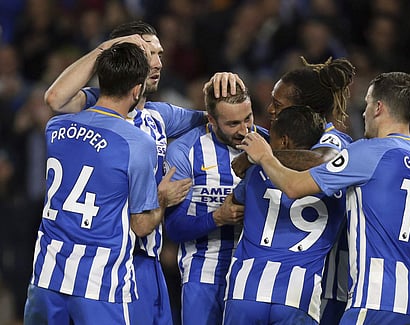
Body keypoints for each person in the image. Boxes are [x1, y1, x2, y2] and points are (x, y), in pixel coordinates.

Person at [43, 21, 241, 324]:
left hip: (149, 258)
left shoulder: (160, 116)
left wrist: (221, 86)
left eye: (159, 53)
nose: (157, 63)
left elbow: (221, 120)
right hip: (111, 259)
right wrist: (103, 49)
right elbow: (55, 99)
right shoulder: (95, 105)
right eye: (147, 53)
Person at [238, 72, 410, 325]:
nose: (364, 113)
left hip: (377, 300)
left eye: (367, 104)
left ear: (378, 107)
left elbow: (293, 186)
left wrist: (264, 156)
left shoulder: (368, 153)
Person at [23, 42, 167, 324]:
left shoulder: (55, 128)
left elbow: (55, 97)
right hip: (100, 284)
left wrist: (104, 49)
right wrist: (164, 198)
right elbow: (140, 225)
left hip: (47, 275)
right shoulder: (138, 143)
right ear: (137, 90)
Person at [229, 56, 356, 324]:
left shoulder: (332, 141)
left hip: (323, 282)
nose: (271, 110)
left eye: (278, 104)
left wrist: (262, 156)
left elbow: (325, 160)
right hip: (297, 286)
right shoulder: (275, 143)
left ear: (304, 110)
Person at [164, 82, 268, 325]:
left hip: (255, 276)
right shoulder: (185, 151)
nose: (244, 130)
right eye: (233, 124)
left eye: (248, 118)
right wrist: (217, 217)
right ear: (210, 119)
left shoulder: (267, 144)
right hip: (204, 274)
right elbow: (175, 228)